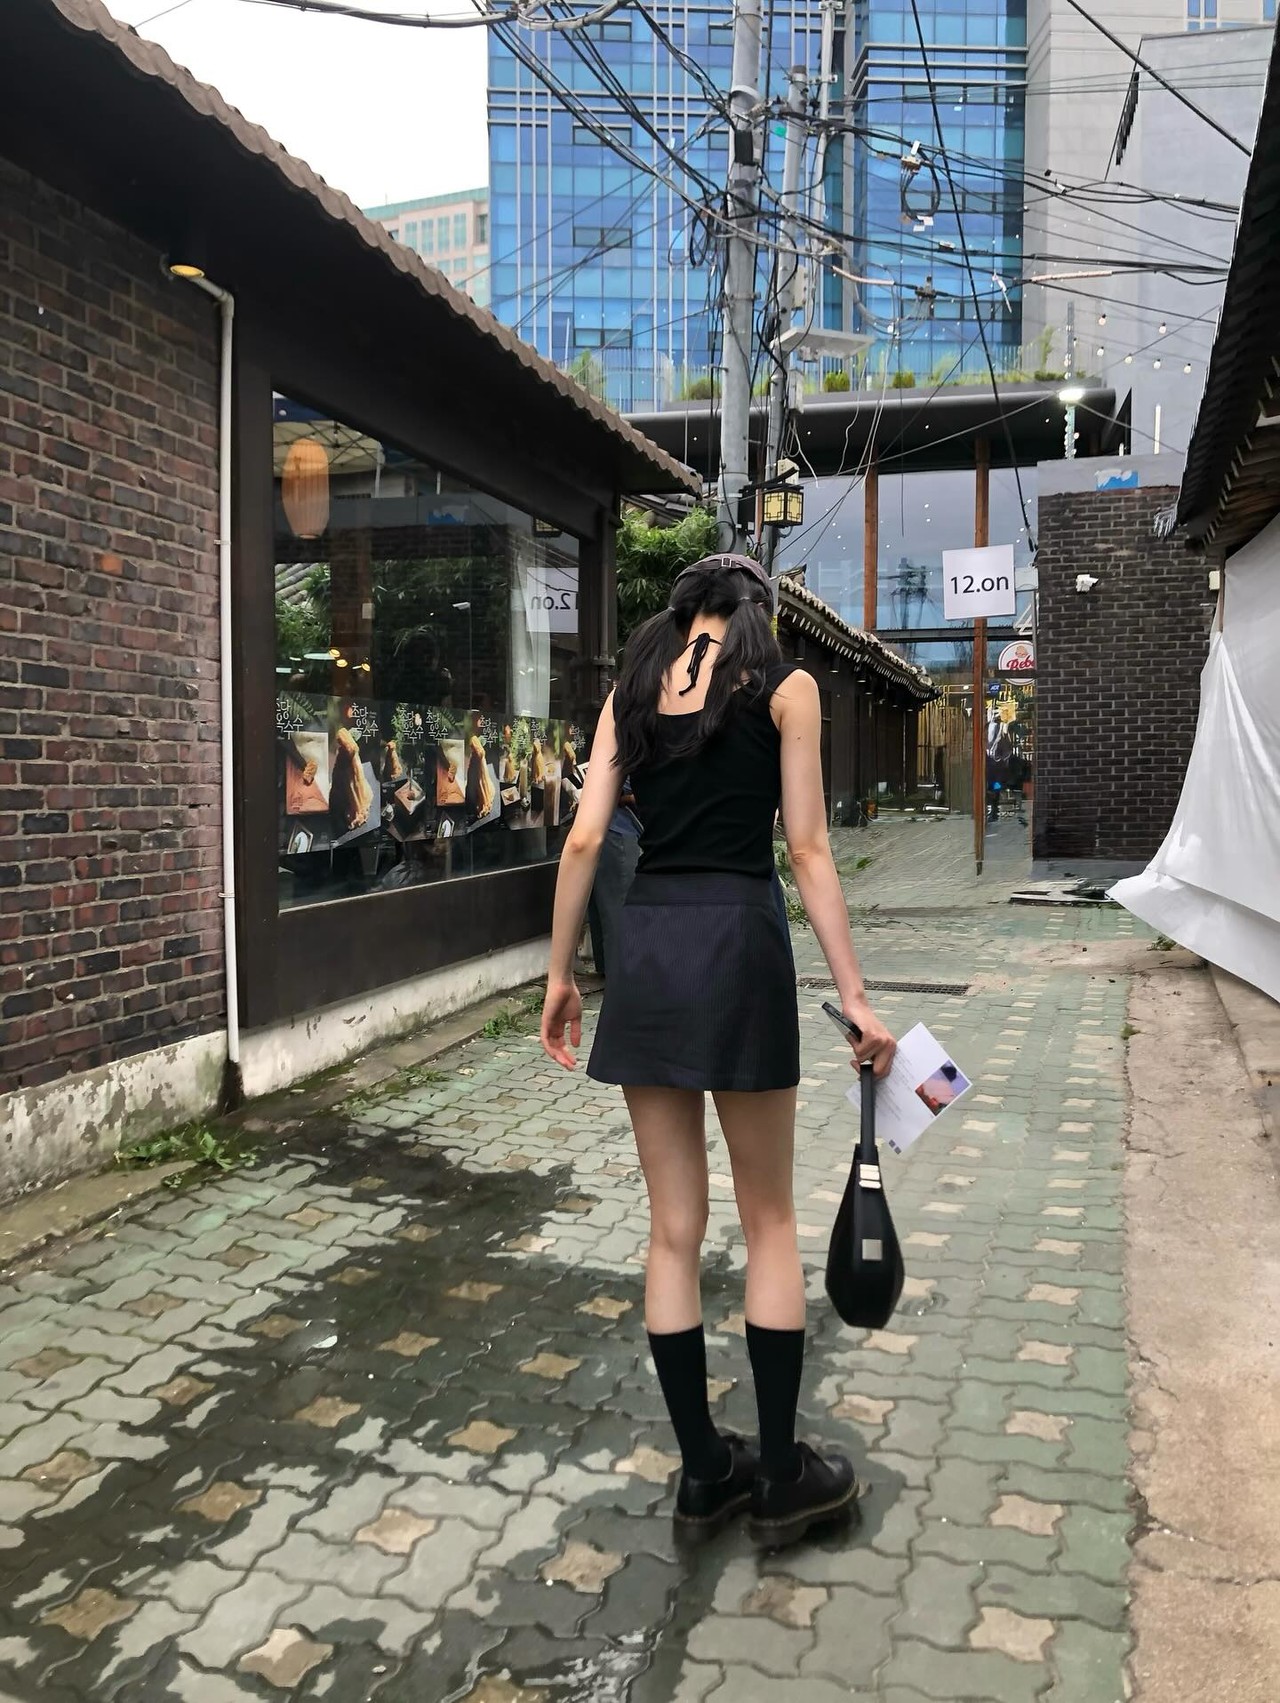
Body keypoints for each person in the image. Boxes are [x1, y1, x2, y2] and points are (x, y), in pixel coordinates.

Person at [540, 553, 896, 1548]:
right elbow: (807, 848)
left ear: (682, 609)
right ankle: (780, 1476)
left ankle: (703, 1471)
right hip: (740, 943)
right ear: (756, 613)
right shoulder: (785, 687)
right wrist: (855, 998)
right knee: (768, 1217)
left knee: (672, 1230)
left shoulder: (632, 686)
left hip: (649, 948)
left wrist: (559, 973)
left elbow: (583, 840)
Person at [585, 778, 641, 977]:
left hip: (603, 827)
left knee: (606, 903)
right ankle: (620, 974)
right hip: (619, 828)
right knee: (619, 906)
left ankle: (609, 969)